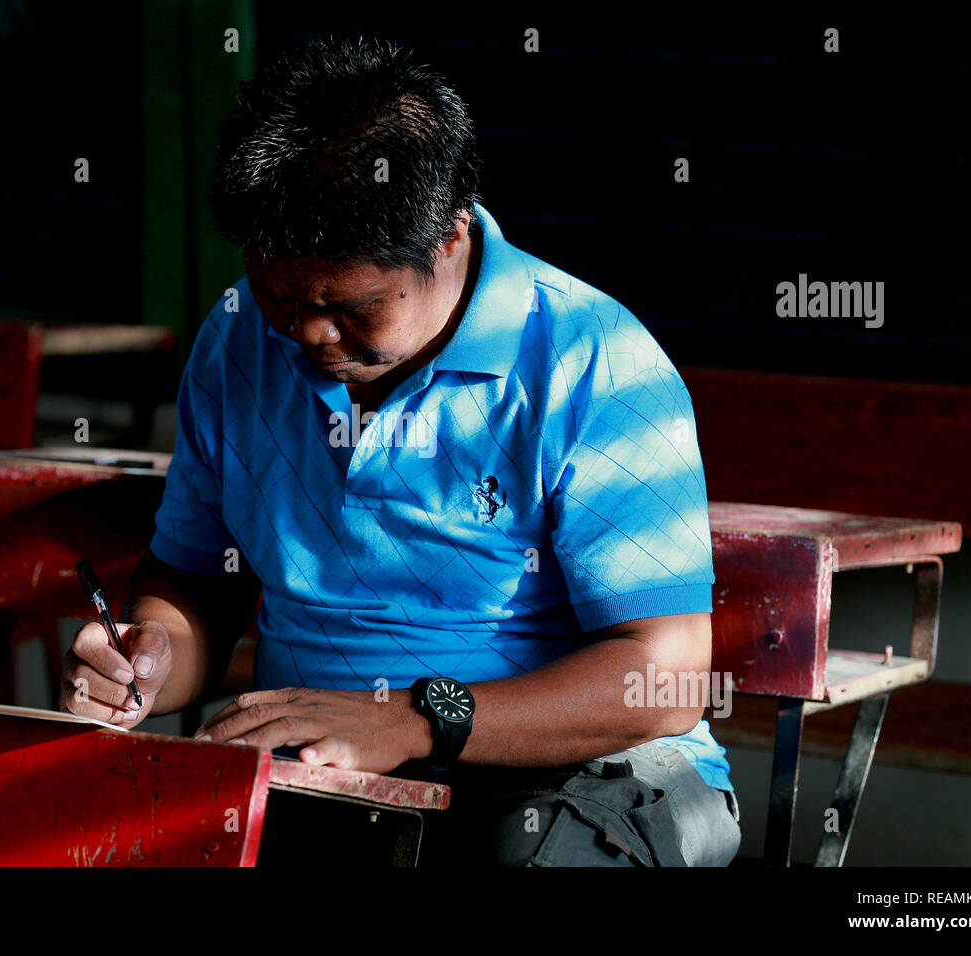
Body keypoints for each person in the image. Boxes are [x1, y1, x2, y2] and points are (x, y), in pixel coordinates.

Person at [61, 36, 740, 867]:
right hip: (328, 772)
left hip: (581, 774)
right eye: (279, 295)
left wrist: (415, 718)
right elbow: (198, 587)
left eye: (350, 306)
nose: (308, 334)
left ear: (449, 238)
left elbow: (663, 677)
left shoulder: (591, 362)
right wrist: (149, 664)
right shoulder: (237, 340)